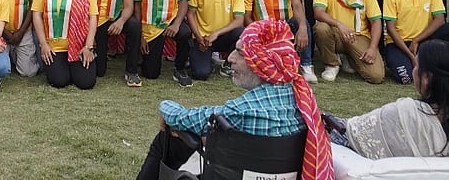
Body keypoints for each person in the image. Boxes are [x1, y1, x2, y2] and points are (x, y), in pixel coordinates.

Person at [137, 18, 331, 180]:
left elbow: (184, 118)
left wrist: (165, 106)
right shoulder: (304, 102)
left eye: (240, 52)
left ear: (261, 62)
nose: (230, 58)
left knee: (167, 137)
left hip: (235, 170)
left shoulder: (241, 111)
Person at [328, 40, 449, 158]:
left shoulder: (404, 114)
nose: (413, 70)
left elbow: (349, 135)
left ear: (426, 78)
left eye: (416, 66)